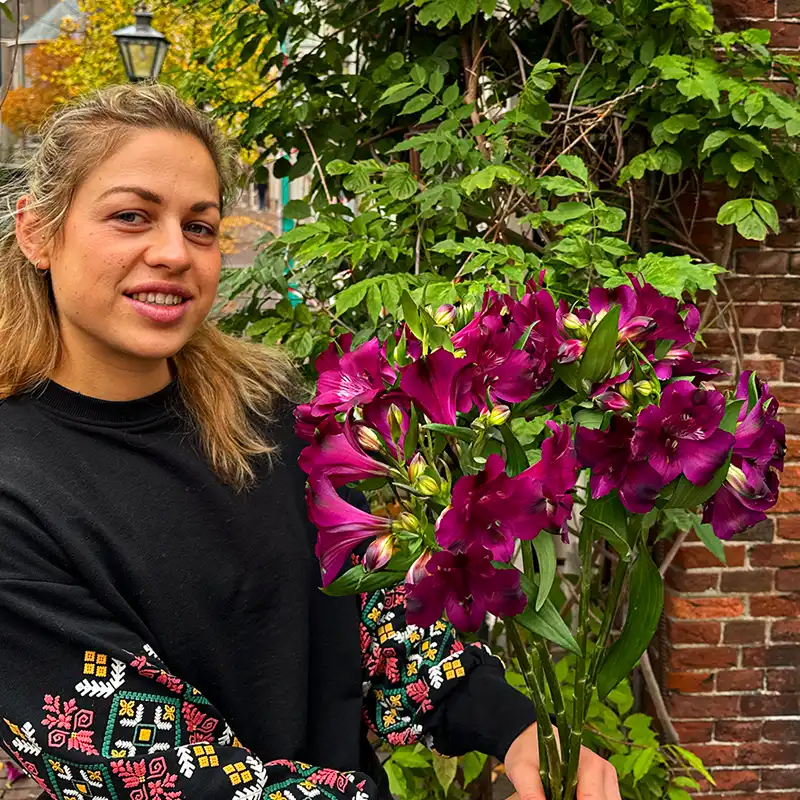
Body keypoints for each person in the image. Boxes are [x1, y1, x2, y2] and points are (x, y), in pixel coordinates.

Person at [0, 83, 621, 800]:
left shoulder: (270, 419)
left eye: (200, 226)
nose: (172, 252)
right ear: (38, 231)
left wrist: (514, 727)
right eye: (132, 216)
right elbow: (173, 779)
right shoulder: (17, 494)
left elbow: (378, 619)